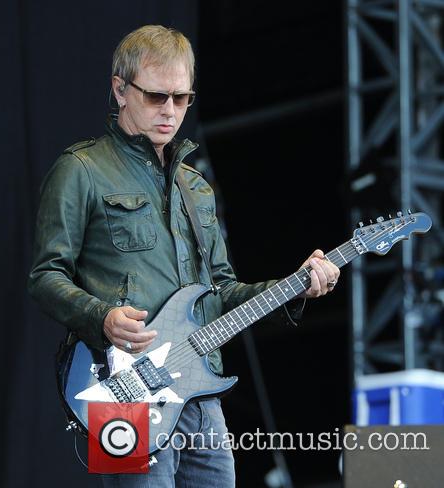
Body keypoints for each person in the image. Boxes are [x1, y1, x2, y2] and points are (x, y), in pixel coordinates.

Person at [27, 24, 340, 488]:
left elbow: (221, 291)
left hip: (200, 391)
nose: (170, 111)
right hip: (121, 384)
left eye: (182, 97)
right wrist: (102, 318)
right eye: (156, 97)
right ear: (119, 89)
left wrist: (294, 286)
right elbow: (45, 276)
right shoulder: (81, 170)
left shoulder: (195, 187)